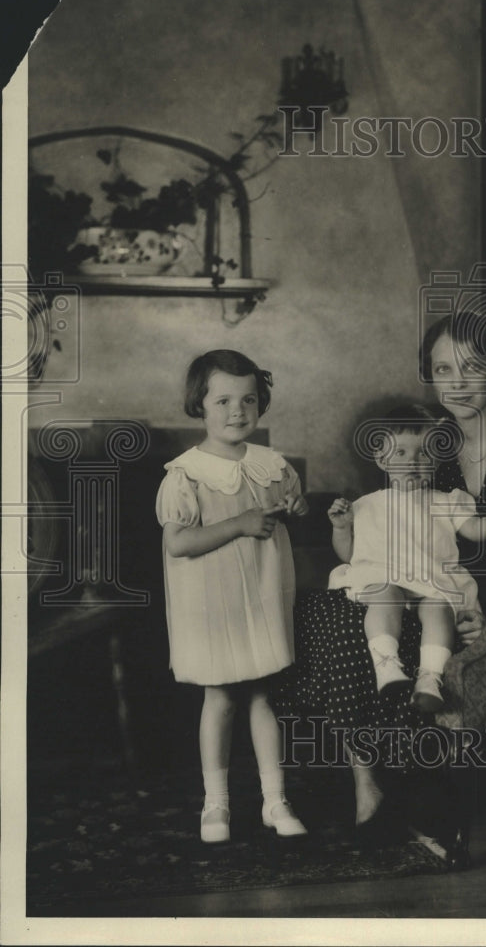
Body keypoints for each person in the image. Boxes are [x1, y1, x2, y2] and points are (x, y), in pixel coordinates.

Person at [272, 312, 486, 829]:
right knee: (326, 616)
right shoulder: (428, 445)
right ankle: (369, 778)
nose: (455, 383)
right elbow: (386, 530)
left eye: (471, 367)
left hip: (473, 602)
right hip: (406, 587)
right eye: (442, 368)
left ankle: (411, 778)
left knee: (392, 628)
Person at [156, 349, 309, 843]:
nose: (237, 411)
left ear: (261, 403)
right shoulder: (186, 473)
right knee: (220, 697)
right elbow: (178, 543)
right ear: (199, 405)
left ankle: (274, 799)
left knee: (264, 694)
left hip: (260, 594)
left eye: (247, 399)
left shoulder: (272, 464)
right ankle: (215, 805)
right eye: (222, 400)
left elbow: (288, 512)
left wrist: (296, 505)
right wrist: (240, 524)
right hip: (214, 601)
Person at [327, 404, 486, 712]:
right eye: (401, 453)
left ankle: (430, 679)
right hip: (386, 575)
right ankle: (387, 666)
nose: (413, 462)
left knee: (440, 609)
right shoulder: (366, 505)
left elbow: (473, 530)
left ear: (436, 459)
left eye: (423, 453)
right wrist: (341, 527)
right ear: (381, 458)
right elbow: (352, 554)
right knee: (384, 595)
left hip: (432, 578)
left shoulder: (448, 501)